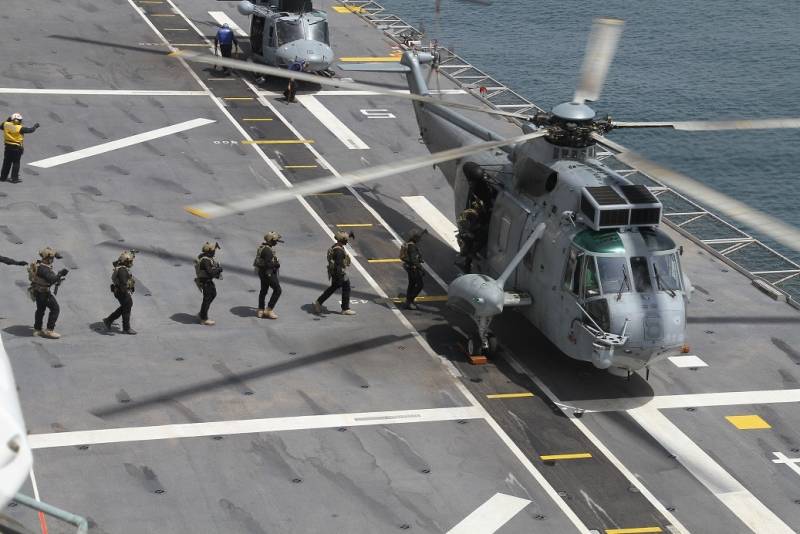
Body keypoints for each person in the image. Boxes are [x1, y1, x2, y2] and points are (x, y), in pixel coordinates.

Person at [28, 247, 67, 339]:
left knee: (40, 310)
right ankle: (49, 330)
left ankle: (37, 329)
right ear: (47, 258)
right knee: (55, 309)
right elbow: (51, 279)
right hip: (43, 293)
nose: (52, 260)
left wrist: (58, 278)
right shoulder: (43, 269)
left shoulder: (39, 265)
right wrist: (60, 274)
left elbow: (49, 279)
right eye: (51, 258)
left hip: (37, 291)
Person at [312, 232, 355, 316]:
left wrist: (349, 234)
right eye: (346, 240)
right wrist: (339, 277)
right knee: (341, 287)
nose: (347, 241)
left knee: (336, 288)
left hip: (335, 272)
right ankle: (344, 308)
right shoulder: (339, 251)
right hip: (339, 273)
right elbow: (338, 266)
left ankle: (319, 302)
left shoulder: (336, 246)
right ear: (343, 240)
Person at [103, 251, 137, 335]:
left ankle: (109, 320)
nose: (131, 263)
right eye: (129, 261)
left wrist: (132, 253)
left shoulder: (122, 267)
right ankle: (126, 328)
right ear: (125, 261)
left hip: (121, 291)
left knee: (126, 306)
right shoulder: (122, 270)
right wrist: (126, 291)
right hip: (122, 292)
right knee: (127, 306)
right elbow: (123, 283)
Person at [1, 113, 39, 183]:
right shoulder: (20, 128)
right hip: (17, 148)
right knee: (16, 163)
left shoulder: (5, 124)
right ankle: (14, 178)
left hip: (8, 147)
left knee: (6, 162)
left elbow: (1, 126)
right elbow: (30, 130)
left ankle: (3, 177)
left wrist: (8, 120)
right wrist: (35, 126)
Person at [254, 232, 283, 319]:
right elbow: (268, 264)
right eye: (275, 240)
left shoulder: (262, 247)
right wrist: (276, 264)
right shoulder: (268, 251)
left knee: (263, 291)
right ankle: (269, 310)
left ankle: (260, 309)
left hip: (261, 273)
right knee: (278, 290)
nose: (276, 242)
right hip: (268, 273)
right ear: (271, 241)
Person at [194, 242, 223, 325]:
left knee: (213, 294)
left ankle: (202, 313)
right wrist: (219, 269)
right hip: (205, 282)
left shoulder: (206, 257)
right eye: (214, 250)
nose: (215, 252)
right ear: (209, 251)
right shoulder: (206, 260)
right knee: (207, 299)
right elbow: (210, 272)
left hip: (208, 281)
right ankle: (203, 318)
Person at [400, 228, 427, 310]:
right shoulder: (412, 247)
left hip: (409, 268)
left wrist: (423, 232)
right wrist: (422, 269)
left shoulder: (408, 243)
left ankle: (408, 301)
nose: (420, 239)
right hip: (413, 269)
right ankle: (410, 301)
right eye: (418, 238)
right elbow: (414, 260)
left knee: (411, 284)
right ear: (415, 238)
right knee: (420, 285)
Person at [456, 206, 481, 273]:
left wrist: (466, 233)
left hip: (476, 240)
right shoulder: (473, 221)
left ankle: (467, 265)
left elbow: (473, 236)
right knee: (464, 240)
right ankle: (466, 264)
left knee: (466, 243)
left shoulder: (477, 227)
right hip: (473, 238)